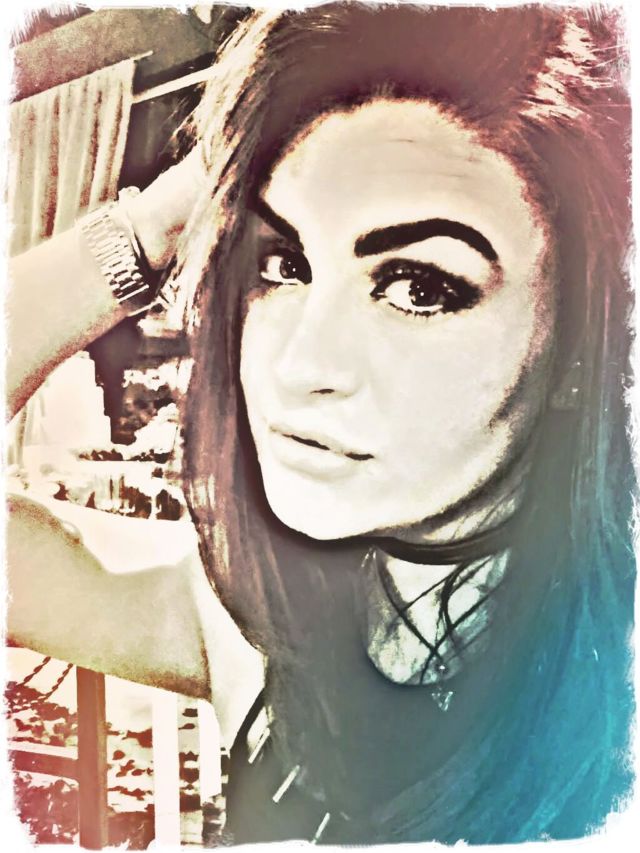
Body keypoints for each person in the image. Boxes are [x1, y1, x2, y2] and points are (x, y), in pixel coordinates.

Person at [5, 3, 635, 845]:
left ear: (587, 343)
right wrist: (157, 222)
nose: (300, 363)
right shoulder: (257, 624)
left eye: (419, 286)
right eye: (285, 263)